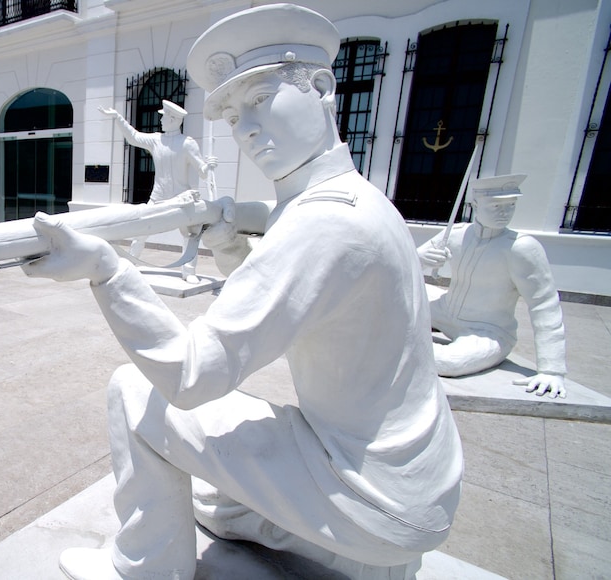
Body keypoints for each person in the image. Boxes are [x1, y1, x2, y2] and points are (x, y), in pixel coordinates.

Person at [25, 4, 463, 579]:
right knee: (211, 501)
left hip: (368, 492)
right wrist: (231, 247)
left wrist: (106, 270)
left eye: (259, 98)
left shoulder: (321, 222)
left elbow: (191, 376)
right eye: (231, 115)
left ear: (324, 88)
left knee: (133, 391)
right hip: (415, 486)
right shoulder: (360, 198)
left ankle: (144, 568)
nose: (247, 128)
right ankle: (345, 550)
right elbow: (295, 300)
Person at [418, 174, 568, 397]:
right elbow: (405, 265)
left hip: (488, 330)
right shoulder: (457, 233)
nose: (504, 212)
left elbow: (544, 304)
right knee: (384, 311)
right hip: (444, 311)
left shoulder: (521, 248)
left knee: (447, 362)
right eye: (496, 205)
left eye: (511, 205)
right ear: (476, 205)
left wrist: (552, 369)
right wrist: (419, 257)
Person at [100, 100, 215, 283]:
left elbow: (201, 171)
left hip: (182, 197)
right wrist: (117, 117)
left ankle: (189, 271)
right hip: (158, 196)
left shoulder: (187, 143)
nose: (160, 121)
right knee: (141, 231)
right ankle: (131, 264)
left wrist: (208, 166)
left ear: (173, 119)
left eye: (164, 117)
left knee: (190, 235)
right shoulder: (156, 140)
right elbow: (133, 137)